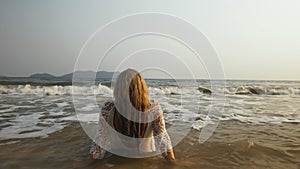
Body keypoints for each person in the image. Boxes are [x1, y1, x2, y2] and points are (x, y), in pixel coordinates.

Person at [89, 68, 176, 162]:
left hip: (117, 161)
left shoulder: (108, 109)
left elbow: (99, 144)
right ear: (142, 89)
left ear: (117, 90)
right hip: (145, 161)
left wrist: (87, 161)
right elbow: (163, 141)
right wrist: (173, 161)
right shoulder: (153, 109)